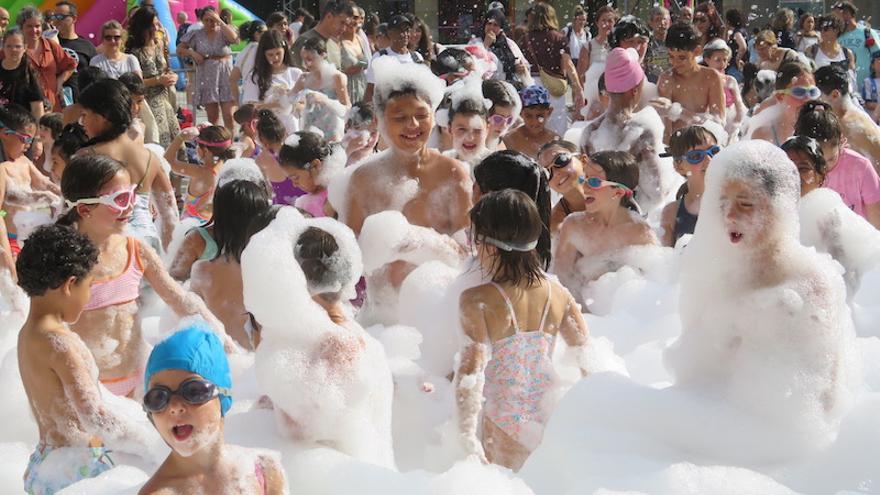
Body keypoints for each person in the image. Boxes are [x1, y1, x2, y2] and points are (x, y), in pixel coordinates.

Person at [59, 154, 228, 398]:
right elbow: (45, 328)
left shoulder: (135, 250)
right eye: (120, 199)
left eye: (132, 195)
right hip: (86, 389)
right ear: (85, 209)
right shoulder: (63, 261)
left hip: (137, 382)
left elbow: (181, 301)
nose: (130, 206)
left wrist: (227, 346)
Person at [16, 224, 157, 495]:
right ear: (70, 285)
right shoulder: (61, 345)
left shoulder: (28, 333)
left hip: (44, 464)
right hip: (76, 469)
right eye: (90, 285)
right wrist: (152, 445)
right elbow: (94, 417)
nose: (90, 295)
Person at [456, 188, 589, 471]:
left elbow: (470, 373)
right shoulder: (559, 294)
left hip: (502, 422)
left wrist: (466, 437)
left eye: (474, 239)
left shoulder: (476, 300)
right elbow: (587, 361)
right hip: (548, 420)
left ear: (491, 247)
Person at [139, 325, 287, 494]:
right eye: (158, 397)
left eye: (193, 391)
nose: (174, 407)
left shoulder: (262, 469)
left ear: (223, 394)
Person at [77, 79, 178, 250]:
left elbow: (74, 212)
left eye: (85, 115)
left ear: (103, 116)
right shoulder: (150, 157)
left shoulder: (87, 157)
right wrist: (168, 257)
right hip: (148, 242)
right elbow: (170, 216)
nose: (81, 122)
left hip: (109, 246)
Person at [554, 150, 657, 304]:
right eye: (584, 179)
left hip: (623, 313)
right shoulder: (573, 225)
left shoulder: (639, 233)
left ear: (618, 192)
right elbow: (562, 282)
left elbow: (652, 288)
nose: (585, 187)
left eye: (594, 182)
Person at [784, 135, 880, 297]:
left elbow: (848, 278)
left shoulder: (830, 217)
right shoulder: (771, 216)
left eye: (803, 168)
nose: (794, 175)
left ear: (820, 176)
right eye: (786, 169)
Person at [183, 180, 273, 349]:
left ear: (219, 216)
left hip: (218, 354)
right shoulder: (270, 270)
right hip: (256, 358)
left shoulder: (203, 270)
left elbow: (188, 320)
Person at [580, 47, 671, 214]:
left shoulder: (589, 132)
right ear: (635, 90)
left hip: (598, 215)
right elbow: (656, 193)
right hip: (631, 216)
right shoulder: (642, 132)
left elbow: (586, 185)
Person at [794, 100, 880, 228]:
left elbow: (877, 221)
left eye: (831, 159)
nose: (825, 167)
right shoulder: (795, 169)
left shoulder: (860, 167)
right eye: (817, 161)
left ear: (841, 142)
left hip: (856, 236)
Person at [0, 105, 61, 269]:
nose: (28, 145)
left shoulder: (25, 162)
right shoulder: (2, 169)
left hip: (30, 235)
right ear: (5, 134)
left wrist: (63, 194)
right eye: (25, 139)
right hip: (11, 238)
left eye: (31, 140)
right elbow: (4, 208)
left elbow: (45, 184)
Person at [653, 22, 725, 143]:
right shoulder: (667, 79)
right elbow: (665, 131)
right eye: (671, 56)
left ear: (697, 51)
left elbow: (719, 123)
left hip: (703, 143)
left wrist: (680, 112)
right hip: (677, 145)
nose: (674, 63)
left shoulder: (711, 77)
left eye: (682, 57)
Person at [522, 3, 583, 135]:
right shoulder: (559, 38)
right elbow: (568, 64)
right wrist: (578, 88)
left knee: (533, 127)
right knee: (556, 127)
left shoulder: (525, 39)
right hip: (554, 86)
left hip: (531, 85)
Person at [125, 6, 179, 148]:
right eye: (152, 25)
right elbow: (135, 83)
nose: (156, 28)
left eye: (156, 24)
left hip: (165, 99)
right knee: (159, 141)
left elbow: (166, 69)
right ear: (143, 26)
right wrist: (158, 80)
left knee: (175, 139)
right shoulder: (134, 52)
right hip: (148, 102)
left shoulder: (159, 45)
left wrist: (173, 77)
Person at [178, 6, 238, 131]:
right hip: (207, 75)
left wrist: (220, 22)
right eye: (207, 20)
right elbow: (180, 49)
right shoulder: (196, 34)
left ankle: (230, 140)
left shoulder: (224, 31)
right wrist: (193, 53)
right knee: (212, 116)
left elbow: (234, 39)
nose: (211, 23)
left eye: (213, 19)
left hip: (225, 74)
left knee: (229, 115)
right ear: (202, 20)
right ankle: (215, 140)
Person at [659, 125, 718, 246]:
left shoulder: (734, 204)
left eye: (714, 151)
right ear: (679, 166)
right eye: (696, 156)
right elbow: (664, 256)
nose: (709, 159)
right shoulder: (672, 213)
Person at [10, 7, 76, 112]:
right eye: (29, 26)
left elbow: (71, 65)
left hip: (53, 108)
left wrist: (59, 82)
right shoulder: (13, 49)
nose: (34, 30)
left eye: (37, 26)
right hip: (26, 110)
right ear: (21, 27)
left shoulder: (51, 45)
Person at [164, 125, 235, 222]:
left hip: (192, 226)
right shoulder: (226, 168)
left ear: (205, 150)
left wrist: (180, 137)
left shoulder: (200, 172)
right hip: (212, 224)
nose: (196, 148)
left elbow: (168, 161)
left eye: (197, 145)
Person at [815, 64, 880, 168]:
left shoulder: (846, 126)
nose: (814, 100)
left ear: (835, 95)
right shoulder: (857, 115)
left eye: (817, 94)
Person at [241, 30, 302, 134]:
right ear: (263, 55)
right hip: (268, 130)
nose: (275, 58)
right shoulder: (255, 77)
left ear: (285, 50)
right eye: (270, 55)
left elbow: (304, 103)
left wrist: (292, 104)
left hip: (292, 128)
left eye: (278, 53)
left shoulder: (296, 73)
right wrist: (275, 105)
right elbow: (250, 107)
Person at [746, 61, 816, 145]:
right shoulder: (764, 135)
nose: (808, 99)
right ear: (780, 96)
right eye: (799, 92)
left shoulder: (822, 128)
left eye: (813, 92)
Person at [278, 131, 342, 218]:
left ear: (315, 166)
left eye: (295, 177)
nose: (294, 184)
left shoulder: (336, 197)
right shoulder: (304, 203)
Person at [363, 15, 423, 103]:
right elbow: (370, 89)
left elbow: (423, 88)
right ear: (390, 33)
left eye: (407, 30)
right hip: (389, 107)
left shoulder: (417, 57)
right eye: (400, 31)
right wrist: (367, 108)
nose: (404, 34)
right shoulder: (380, 57)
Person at [255, 108, 304, 205]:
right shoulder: (297, 150)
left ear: (262, 139)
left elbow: (266, 191)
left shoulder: (261, 160)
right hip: (303, 200)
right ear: (283, 132)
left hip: (282, 205)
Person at [831, 1, 880, 95]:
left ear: (847, 14)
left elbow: (878, 57)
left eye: (837, 17)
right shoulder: (837, 37)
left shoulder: (866, 33)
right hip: (847, 90)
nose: (835, 21)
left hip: (870, 89)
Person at [52, 1, 96, 102]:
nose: (56, 21)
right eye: (55, 17)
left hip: (80, 101)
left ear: (74, 19)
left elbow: (93, 76)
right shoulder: (50, 43)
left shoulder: (87, 46)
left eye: (61, 17)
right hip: (55, 99)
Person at [703, 39, 746, 141]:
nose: (722, 63)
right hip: (711, 122)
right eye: (718, 60)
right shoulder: (703, 81)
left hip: (730, 122)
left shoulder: (730, 80)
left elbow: (739, 107)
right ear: (707, 60)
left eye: (725, 60)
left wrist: (736, 125)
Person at [536, 140, 585, 232]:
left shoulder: (613, 189)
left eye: (560, 160)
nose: (556, 173)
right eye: (546, 173)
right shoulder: (557, 225)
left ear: (583, 160)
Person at [291, 0, 354, 70]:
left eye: (346, 25)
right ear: (329, 17)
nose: (344, 29)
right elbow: (295, 74)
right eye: (342, 23)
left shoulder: (334, 45)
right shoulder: (304, 41)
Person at [443, 79, 491, 168]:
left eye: (477, 130)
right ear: (449, 129)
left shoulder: (496, 165)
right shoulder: (442, 162)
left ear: (487, 129)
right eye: (462, 129)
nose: (470, 138)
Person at [0, 28, 45, 119]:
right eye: (9, 46)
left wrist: (38, 127)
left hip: (21, 124)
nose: (13, 50)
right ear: (3, 47)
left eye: (18, 46)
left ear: (24, 48)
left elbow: (37, 107)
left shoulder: (29, 73)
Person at [293, 36, 350, 107]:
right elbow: (289, 99)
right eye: (304, 60)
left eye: (310, 59)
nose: (307, 64)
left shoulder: (336, 77)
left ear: (323, 55)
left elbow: (347, 108)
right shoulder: (304, 78)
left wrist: (324, 100)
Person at [502, 85, 557, 160]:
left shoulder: (554, 140)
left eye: (540, 116)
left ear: (549, 112)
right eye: (528, 116)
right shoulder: (509, 139)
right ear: (520, 113)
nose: (534, 122)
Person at [480, 9, 531, 89]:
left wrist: (521, 68)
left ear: (501, 28)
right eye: (489, 23)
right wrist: (485, 46)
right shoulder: (476, 43)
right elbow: (476, 66)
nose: (491, 27)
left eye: (495, 25)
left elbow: (524, 64)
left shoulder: (509, 44)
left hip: (511, 89)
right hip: (487, 90)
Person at [807, 15, 855, 80]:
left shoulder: (847, 53)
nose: (822, 32)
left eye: (826, 29)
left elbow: (852, 80)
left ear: (836, 30)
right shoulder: (811, 50)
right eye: (821, 29)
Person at [229, 19, 267, 104]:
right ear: (255, 34)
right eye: (263, 32)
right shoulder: (260, 49)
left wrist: (238, 101)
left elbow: (232, 79)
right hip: (260, 96)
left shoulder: (244, 51)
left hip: (246, 96)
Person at [577, 5, 617, 81]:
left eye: (610, 21)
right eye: (603, 20)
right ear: (597, 22)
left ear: (614, 23)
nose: (606, 24)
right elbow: (580, 77)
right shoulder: (588, 47)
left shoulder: (618, 47)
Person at [339, 8, 370, 104]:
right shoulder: (337, 42)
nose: (352, 21)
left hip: (362, 87)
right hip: (346, 90)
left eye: (355, 18)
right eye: (349, 18)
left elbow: (367, 63)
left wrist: (360, 65)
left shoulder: (360, 40)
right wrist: (359, 64)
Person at [481, 79, 519, 151]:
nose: (504, 125)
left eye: (509, 120)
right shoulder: (465, 144)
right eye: (498, 119)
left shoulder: (502, 143)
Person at [645, 6, 671, 83]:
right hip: (651, 85)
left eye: (665, 19)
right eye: (658, 20)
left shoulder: (675, 43)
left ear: (669, 22)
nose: (662, 23)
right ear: (651, 23)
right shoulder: (646, 44)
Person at [725, 8, 748, 82]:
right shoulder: (742, 30)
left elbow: (743, 47)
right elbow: (725, 42)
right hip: (740, 65)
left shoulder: (737, 33)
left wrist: (737, 59)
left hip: (734, 66)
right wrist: (726, 30)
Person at [863, 52, 880, 121]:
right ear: (872, 65)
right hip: (873, 119)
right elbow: (868, 104)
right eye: (878, 60)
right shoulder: (868, 82)